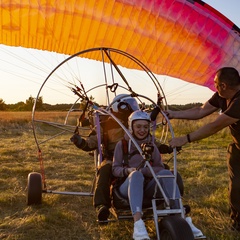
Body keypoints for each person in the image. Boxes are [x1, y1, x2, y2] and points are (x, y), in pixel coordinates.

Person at [167, 67, 240, 231]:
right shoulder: (222, 95)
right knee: (236, 186)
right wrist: (173, 114)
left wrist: (184, 139)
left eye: (215, 84)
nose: (214, 87)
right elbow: (200, 111)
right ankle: (237, 224)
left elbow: (215, 126)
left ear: (224, 85)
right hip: (237, 148)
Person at [112, 110, 182, 240]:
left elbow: (159, 168)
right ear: (131, 127)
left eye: (145, 127)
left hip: (148, 186)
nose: (142, 130)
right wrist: (127, 171)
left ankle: (181, 217)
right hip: (126, 187)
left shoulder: (152, 145)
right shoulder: (122, 145)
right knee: (136, 175)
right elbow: (115, 169)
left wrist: (144, 170)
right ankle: (138, 224)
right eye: (138, 126)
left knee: (167, 173)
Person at [70, 94, 140, 221]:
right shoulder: (105, 125)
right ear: (121, 107)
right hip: (112, 160)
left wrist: (164, 147)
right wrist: (80, 142)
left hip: (135, 159)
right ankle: (102, 206)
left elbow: (148, 139)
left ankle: (168, 201)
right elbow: (92, 142)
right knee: (104, 172)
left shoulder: (136, 123)